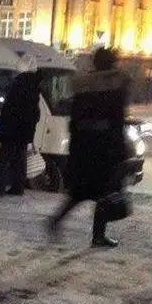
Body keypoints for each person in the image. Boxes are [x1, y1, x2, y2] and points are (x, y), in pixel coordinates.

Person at [48, 48, 130, 247]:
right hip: (105, 150)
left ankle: (57, 221)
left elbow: (74, 122)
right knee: (105, 193)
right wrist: (120, 150)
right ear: (111, 63)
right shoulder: (114, 86)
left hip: (84, 148)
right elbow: (117, 122)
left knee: (81, 192)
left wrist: (76, 146)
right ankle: (98, 235)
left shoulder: (83, 86)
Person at [0, 54, 40, 196]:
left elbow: (12, 107)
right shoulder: (33, 85)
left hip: (13, 129)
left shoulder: (20, 83)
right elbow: (34, 111)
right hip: (24, 130)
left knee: (3, 158)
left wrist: (6, 123)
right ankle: (18, 187)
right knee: (19, 159)